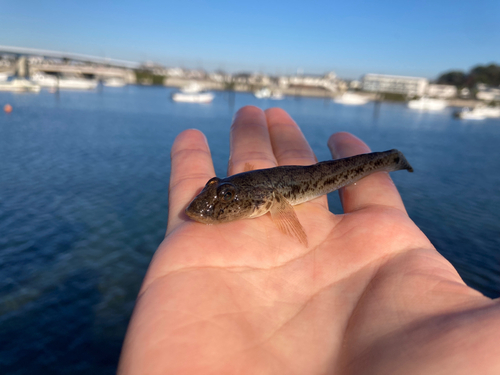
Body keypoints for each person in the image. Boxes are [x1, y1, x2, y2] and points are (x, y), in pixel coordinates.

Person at [118, 106, 500, 374]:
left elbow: (288, 221)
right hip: (287, 176)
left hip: (307, 174)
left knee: (360, 164)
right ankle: (392, 159)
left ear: (265, 201)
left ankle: (392, 160)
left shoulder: (270, 198)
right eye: (219, 190)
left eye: (228, 198)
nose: (214, 201)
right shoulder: (250, 192)